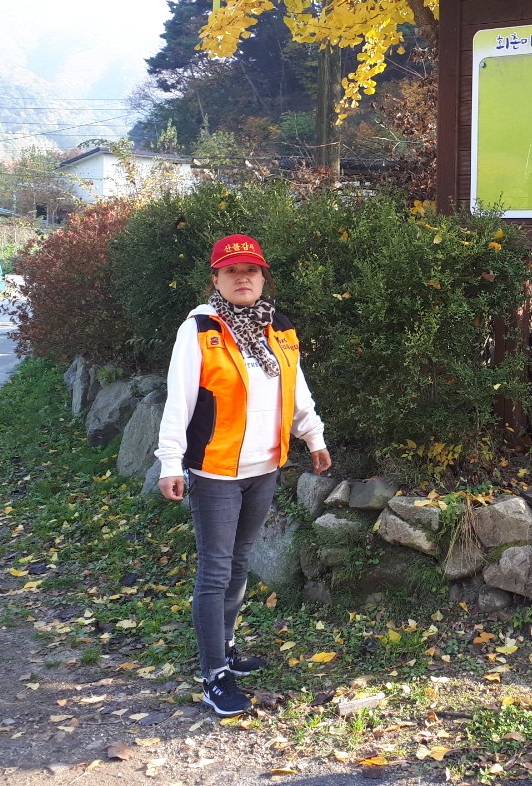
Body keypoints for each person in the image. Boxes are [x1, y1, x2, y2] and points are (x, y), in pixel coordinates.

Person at [155, 233, 331, 717]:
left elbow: (296, 388)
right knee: (215, 571)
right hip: (215, 470)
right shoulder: (199, 329)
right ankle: (213, 674)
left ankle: (227, 647)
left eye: (250, 270)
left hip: (265, 467)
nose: (242, 278)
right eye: (231, 271)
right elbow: (179, 400)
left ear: (262, 277)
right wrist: (170, 461)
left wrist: (313, 437)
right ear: (215, 279)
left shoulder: (279, 327)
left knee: (239, 563)